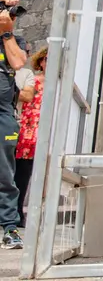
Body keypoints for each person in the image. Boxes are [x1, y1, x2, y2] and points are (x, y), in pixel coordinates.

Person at [0, 0, 28, 249]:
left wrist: (6, 34)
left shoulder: (14, 40)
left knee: (5, 174)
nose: (10, 16)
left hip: (3, 114)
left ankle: (10, 228)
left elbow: (18, 62)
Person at [15, 48, 46, 229]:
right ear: (40, 61)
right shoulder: (32, 80)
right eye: (47, 59)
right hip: (28, 130)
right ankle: (17, 210)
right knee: (21, 172)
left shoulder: (62, 85)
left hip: (47, 133)